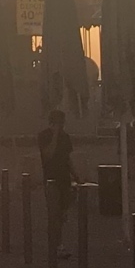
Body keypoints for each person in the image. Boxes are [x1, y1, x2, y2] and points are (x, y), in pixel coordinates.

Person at [37, 107, 79, 257]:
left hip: (64, 179)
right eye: (58, 123)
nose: (61, 126)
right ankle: (55, 245)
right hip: (51, 179)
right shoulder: (44, 136)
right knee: (53, 213)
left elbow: (67, 158)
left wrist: (76, 175)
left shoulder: (65, 137)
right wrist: (54, 136)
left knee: (61, 214)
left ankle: (57, 242)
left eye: (62, 123)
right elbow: (48, 155)